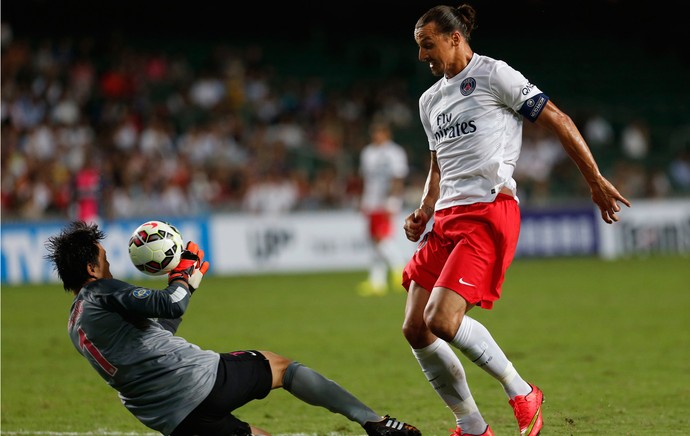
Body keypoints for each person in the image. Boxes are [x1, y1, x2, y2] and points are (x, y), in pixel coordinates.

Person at [401, 4, 631, 436]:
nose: (421, 56)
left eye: (427, 45)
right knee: (415, 328)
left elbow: (558, 119)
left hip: (488, 212)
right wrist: (424, 209)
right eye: (418, 47)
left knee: (442, 321)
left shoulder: (494, 75)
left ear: (454, 38)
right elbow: (438, 166)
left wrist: (595, 179)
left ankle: (522, 391)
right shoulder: (429, 100)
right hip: (445, 218)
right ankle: (471, 426)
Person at [45, 220, 421, 436]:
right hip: (196, 381)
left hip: (170, 418)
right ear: (91, 270)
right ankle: (374, 423)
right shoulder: (102, 291)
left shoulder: (75, 320)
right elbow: (169, 302)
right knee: (282, 368)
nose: (109, 267)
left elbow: (158, 332)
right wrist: (183, 279)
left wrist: (189, 285)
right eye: (104, 260)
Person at [357, 121, 410, 296]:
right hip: (371, 200)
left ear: (387, 134)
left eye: (380, 133)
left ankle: (400, 269)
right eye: (374, 133)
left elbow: (398, 178)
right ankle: (377, 282)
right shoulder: (368, 152)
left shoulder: (394, 152)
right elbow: (366, 179)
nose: (376, 136)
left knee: (381, 238)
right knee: (374, 241)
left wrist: (393, 201)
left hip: (385, 201)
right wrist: (363, 200)